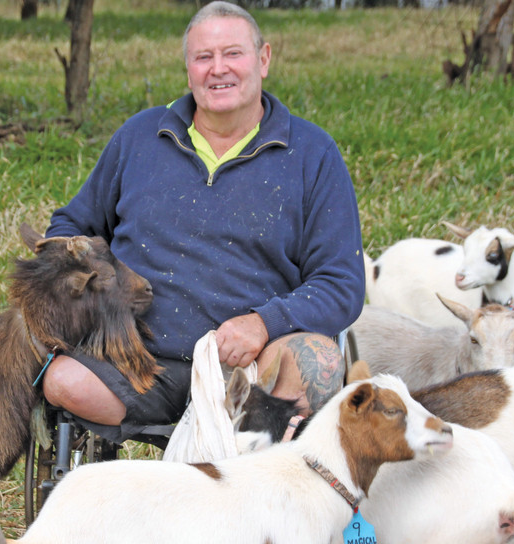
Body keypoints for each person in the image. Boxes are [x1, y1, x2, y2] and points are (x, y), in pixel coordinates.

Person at [42, 0, 365, 443]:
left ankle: (263, 484)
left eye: (233, 54)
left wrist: (264, 323)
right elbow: (73, 224)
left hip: (249, 371)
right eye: (203, 57)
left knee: (316, 360)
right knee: (61, 381)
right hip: (140, 360)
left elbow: (341, 283)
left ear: (263, 58)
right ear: (188, 68)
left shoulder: (313, 154)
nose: (219, 69)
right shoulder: (141, 136)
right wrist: (66, 266)